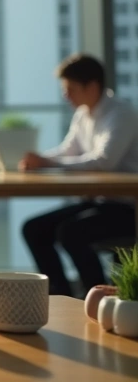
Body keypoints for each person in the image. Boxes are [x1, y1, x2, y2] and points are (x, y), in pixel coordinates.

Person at [20, 53, 138, 297]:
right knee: (33, 229)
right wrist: (41, 160)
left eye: (70, 88)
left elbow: (103, 162)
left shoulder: (122, 114)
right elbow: (67, 152)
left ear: (92, 86)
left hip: (127, 208)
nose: (65, 95)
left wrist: (47, 162)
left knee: (70, 233)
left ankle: (96, 297)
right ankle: (58, 295)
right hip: (99, 201)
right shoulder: (83, 114)